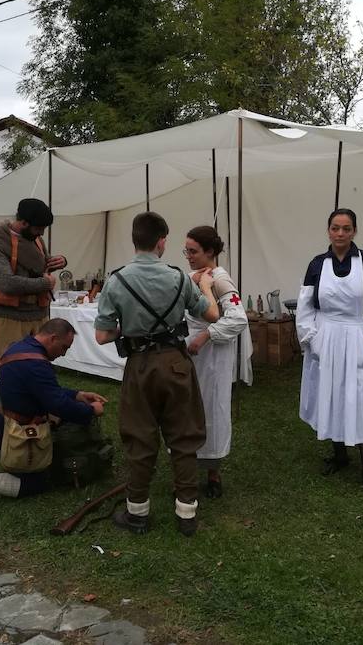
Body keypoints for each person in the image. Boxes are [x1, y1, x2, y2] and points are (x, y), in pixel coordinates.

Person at [94, 212, 219, 537]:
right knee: (184, 438)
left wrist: (131, 327)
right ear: (161, 241)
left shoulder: (116, 280)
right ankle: (186, 514)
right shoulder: (179, 277)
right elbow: (212, 313)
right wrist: (204, 284)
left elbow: (103, 336)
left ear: (135, 240)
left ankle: (137, 514)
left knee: (140, 438)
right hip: (176, 363)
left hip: (140, 366)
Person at [0, 318, 107, 510]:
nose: (64, 353)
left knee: (48, 465)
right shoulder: (35, 364)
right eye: (64, 347)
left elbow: (42, 389)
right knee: (39, 482)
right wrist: (91, 411)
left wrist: (77, 395)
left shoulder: (22, 348)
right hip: (1, 428)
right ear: (52, 338)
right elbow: (58, 405)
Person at [296, 208, 363, 496]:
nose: (340, 233)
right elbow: (305, 306)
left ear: (354, 231)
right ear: (328, 230)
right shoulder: (316, 264)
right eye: (335, 228)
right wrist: (312, 338)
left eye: (346, 228)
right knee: (332, 394)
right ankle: (339, 455)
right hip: (326, 337)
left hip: (359, 337)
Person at [183, 225, 250, 499]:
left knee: (212, 408)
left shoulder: (221, 279)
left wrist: (206, 335)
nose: (188, 255)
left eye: (193, 251)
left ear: (209, 252)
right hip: (190, 356)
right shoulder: (191, 276)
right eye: (185, 250)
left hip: (212, 356)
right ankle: (185, 466)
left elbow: (237, 318)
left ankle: (213, 472)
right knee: (186, 408)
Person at [0, 198, 68, 358]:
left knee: (40, 363)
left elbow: (40, 266)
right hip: (10, 317)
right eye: (39, 228)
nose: (42, 233)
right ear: (24, 223)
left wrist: (58, 261)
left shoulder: (35, 239)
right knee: (11, 365)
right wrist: (45, 283)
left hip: (39, 314)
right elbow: (7, 283)